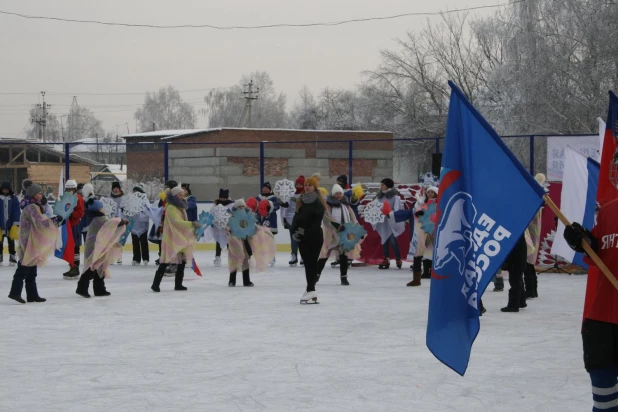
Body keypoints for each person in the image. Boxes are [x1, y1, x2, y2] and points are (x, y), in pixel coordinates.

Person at [564, 199, 618, 412]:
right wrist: (585, 242)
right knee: (605, 405)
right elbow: (599, 254)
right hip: (602, 319)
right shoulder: (609, 210)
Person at [8, 183, 63, 304]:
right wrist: (54, 221)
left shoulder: (33, 206)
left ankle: (32, 295)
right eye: (39, 193)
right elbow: (40, 223)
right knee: (24, 266)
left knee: (31, 268)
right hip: (28, 240)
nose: (41, 195)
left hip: (31, 239)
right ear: (33, 194)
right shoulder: (31, 207)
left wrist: (54, 221)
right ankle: (15, 292)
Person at [151, 184, 200, 293]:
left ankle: (178, 284)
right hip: (171, 237)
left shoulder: (180, 207)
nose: (182, 196)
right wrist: (191, 224)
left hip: (181, 236)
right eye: (180, 195)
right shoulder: (171, 207)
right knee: (165, 260)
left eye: (183, 194)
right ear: (174, 196)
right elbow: (175, 222)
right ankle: (155, 284)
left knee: (182, 260)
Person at [76, 199, 128, 298]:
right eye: (101, 208)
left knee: (100, 267)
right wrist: (122, 221)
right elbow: (110, 223)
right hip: (95, 247)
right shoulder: (97, 218)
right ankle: (82, 288)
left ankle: (99, 289)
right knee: (92, 267)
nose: (103, 210)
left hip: (98, 246)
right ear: (98, 209)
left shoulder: (94, 217)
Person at [316, 184, 362, 286]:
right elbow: (327, 218)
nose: (338, 195)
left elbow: (353, 217)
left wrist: (357, 228)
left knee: (343, 255)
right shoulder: (328, 205)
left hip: (344, 233)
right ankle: (316, 274)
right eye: (336, 193)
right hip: (331, 234)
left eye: (340, 193)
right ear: (333, 194)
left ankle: (344, 277)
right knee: (325, 254)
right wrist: (336, 227)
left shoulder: (346, 205)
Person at [291, 175, 326, 304]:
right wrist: (294, 230)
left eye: (310, 185)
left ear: (315, 187)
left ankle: (311, 289)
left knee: (311, 263)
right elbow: (296, 217)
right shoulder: (301, 200)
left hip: (314, 236)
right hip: (302, 236)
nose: (307, 187)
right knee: (308, 264)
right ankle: (311, 289)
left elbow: (313, 221)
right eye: (306, 185)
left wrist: (302, 230)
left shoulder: (318, 202)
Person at [225, 198, 276, 287]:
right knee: (234, 260)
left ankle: (246, 280)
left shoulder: (248, 217)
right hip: (235, 243)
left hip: (245, 242)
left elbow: (253, 226)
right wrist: (228, 229)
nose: (241, 208)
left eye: (242, 206)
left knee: (245, 260)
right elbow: (228, 227)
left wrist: (259, 229)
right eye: (239, 207)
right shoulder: (232, 218)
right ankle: (232, 280)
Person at [373, 178, 405, 270]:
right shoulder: (379, 196)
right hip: (383, 221)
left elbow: (397, 208)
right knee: (384, 240)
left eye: (383, 185)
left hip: (391, 221)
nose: (381, 187)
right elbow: (376, 206)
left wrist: (390, 213)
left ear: (388, 186)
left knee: (393, 240)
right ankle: (386, 258)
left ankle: (398, 258)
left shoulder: (394, 197)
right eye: (381, 185)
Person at [62, 179, 85, 280]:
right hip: (68, 225)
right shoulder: (66, 197)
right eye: (68, 189)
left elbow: (81, 213)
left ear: (75, 189)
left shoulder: (78, 198)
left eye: (71, 189)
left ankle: (75, 268)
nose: (69, 190)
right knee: (70, 246)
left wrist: (71, 214)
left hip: (75, 225)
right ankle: (71, 266)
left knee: (75, 247)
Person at [280, 176, 304, 267]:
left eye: (300, 184)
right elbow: (287, 205)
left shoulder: (306, 195)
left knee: (302, 238)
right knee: (293, 238)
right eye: (297, 184)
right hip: (292, 220)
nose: (298, 186)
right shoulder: (291, 195)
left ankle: (303, 256)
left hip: (302, 219)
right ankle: (294, 255)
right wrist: (282, 203)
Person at [415, 186, 438, 279]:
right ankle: (425, 271)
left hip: (434, 230)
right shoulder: (423, 204)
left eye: (432, 192)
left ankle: (433, 270)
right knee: (426, 250)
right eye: (429, 192)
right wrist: (418, 214)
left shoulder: (439, 204)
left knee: (433, 250)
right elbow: (417, 215)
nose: (430, 194)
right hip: (424, 231)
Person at [500, 234, 528, 313]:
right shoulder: (519, 234)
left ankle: (513, 305)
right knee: (518, 280)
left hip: (515, 262)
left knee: (515, 282)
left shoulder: (515, 236)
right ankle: (521, 302)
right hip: (519, 261)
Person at [256, 182, 280, 267]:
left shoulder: (273, 198)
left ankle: (272, 256)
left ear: (270, 189)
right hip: (259, 221)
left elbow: (277, 206)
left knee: (269, 240)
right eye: (263, 188)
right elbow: (255, 207)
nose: (264, 189)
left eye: (266, 188)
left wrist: (268, 204)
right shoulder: (259, 197)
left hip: (270, 221)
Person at [0, 182, 20, 266]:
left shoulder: (13, 198)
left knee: (11, 241)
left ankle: (12, 256)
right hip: (0, 223)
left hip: (10, 223)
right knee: (0, 241)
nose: (5, 190)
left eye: (7, 189)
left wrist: (15, 223)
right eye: (4, 189)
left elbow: (16, 210)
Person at [131, 184, 151, 266]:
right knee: (135, 243)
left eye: (137, 191)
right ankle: (136, 259)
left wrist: (141, 214)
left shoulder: (145, 201)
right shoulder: (131, 201)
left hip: (143, 226)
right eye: (134, 191)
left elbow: (148, 212)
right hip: (134, 226)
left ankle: (145, 258)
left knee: (144, 243)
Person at [212, 189, 233, 267]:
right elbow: (212, 213)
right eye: (221, 198)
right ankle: (217, 258)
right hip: (218, 228)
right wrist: (212, 222)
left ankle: (231, 258)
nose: (223, 199)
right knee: (218, 242)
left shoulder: (231, 205)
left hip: (228, 227)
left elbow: (234, 214)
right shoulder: (216, 205)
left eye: (224, 198)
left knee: (229, 243)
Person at [109, 182, 124, 265]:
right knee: (111, 240)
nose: (115, 189)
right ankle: (111, 258)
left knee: (119, 240)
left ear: (119, 188)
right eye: (114, 188)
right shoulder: (109, 198)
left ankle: (119, 257)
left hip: (121, 222)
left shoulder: (123, 198)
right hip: (111, 222)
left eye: (117, 188)